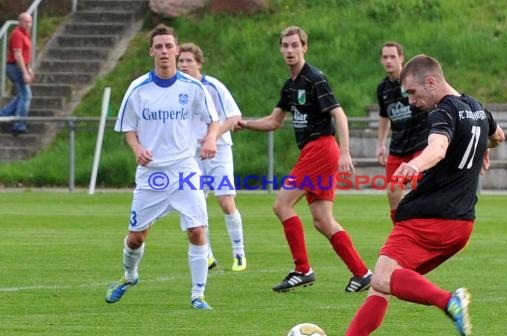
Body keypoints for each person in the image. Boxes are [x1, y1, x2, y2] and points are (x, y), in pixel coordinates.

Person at [322, 54, 505, 336]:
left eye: (412, 92)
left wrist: (413, 164)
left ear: (431, 81)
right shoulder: (476, 107)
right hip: (461, 226)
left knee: (380, 279)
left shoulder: (442, 111)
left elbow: (437, 148)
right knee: (383, 286)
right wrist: (484, 151)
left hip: (428, 218)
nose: (410, 100)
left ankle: (449, 300)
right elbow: (498, 136)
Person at [235, 25, 372, 293]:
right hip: (315, 150)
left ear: (304, 47)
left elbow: (339, 115)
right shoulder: (290, 86)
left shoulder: (314, 78)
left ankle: (302, 269)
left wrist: (345, 152)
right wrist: (245, 123)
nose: (289, 50)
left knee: (281, 205)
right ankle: (362, 273)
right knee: (322, 220)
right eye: (285, 46)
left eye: (294, 45)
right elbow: (274, 122)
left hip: (320, 148)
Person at [104, 24, 220, 310]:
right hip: (151, 174)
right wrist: (137, 149)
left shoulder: (192, 87)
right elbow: (128, 129)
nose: (164, 51)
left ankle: (198, 294)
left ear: (177, 50)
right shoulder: (138, 89)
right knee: (135, 238)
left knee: (196, 231)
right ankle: (130, 276)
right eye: (159, 47)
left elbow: (213, 120)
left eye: (169, 46)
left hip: (184, 169)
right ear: (151, 52)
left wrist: (210, 139)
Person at [177, 42, 246, 272]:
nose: (184, 65)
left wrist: (211, 137)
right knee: (193, 204)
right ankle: (206, 255)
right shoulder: (176, 88)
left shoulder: (213, 86)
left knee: (225, 201)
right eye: (181, 61)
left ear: (199, 63)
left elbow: (234, 116)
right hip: (189, 155)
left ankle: (239, 253)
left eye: (188, 60)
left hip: (219, 151)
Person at [376, 41, 428, 224]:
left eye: (393, 56)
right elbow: (384, 117)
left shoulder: (413, 81)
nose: (388, 60)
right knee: (393, 190)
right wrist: (381, 144)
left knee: (421, 189)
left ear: (401, 58)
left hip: (420, 145)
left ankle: (424, 228)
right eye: (385, 57)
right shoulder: (382, 88)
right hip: (397, 148)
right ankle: (400, 230)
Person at [0, 12, 34, 134]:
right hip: (15, 67)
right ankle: (19, 125)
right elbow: (17, 54)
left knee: (22, 96)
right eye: (26, 22)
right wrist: (25, 72)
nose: (29, 24)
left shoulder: (25, 33)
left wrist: (28, 67)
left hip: (20, 66)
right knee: (26, 95)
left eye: (30, 22)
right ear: (19, 22)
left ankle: (2, 116)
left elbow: (25, 54)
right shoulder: (17, 34)